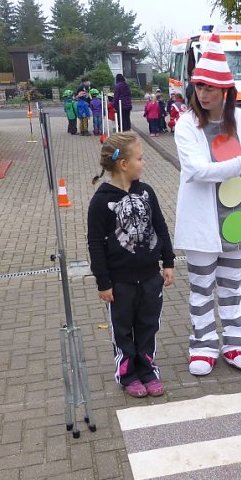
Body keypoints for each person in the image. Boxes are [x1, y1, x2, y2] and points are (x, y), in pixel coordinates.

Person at [173, 34, 241, 377]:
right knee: (202, 289)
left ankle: (236, 342)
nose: (202, 94)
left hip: (237, 220)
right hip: (202, 225)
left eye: (209, 89)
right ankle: (202, 344)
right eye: (198, 87)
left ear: (226, 91)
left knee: (232, 288)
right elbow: (198, 171)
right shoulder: (186, 124)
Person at [87, 131, 175, 398]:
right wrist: (103, 282)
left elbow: (159, 226)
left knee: (148, 325)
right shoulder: (101, 201)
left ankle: (147, 370)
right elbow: (95, 244)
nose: (144, 162)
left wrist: (168, 261)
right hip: (120, 282)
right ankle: (127, 374)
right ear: (124, 164)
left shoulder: (146, 192)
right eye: (140, 158)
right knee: (123, 329)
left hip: (150, 277)